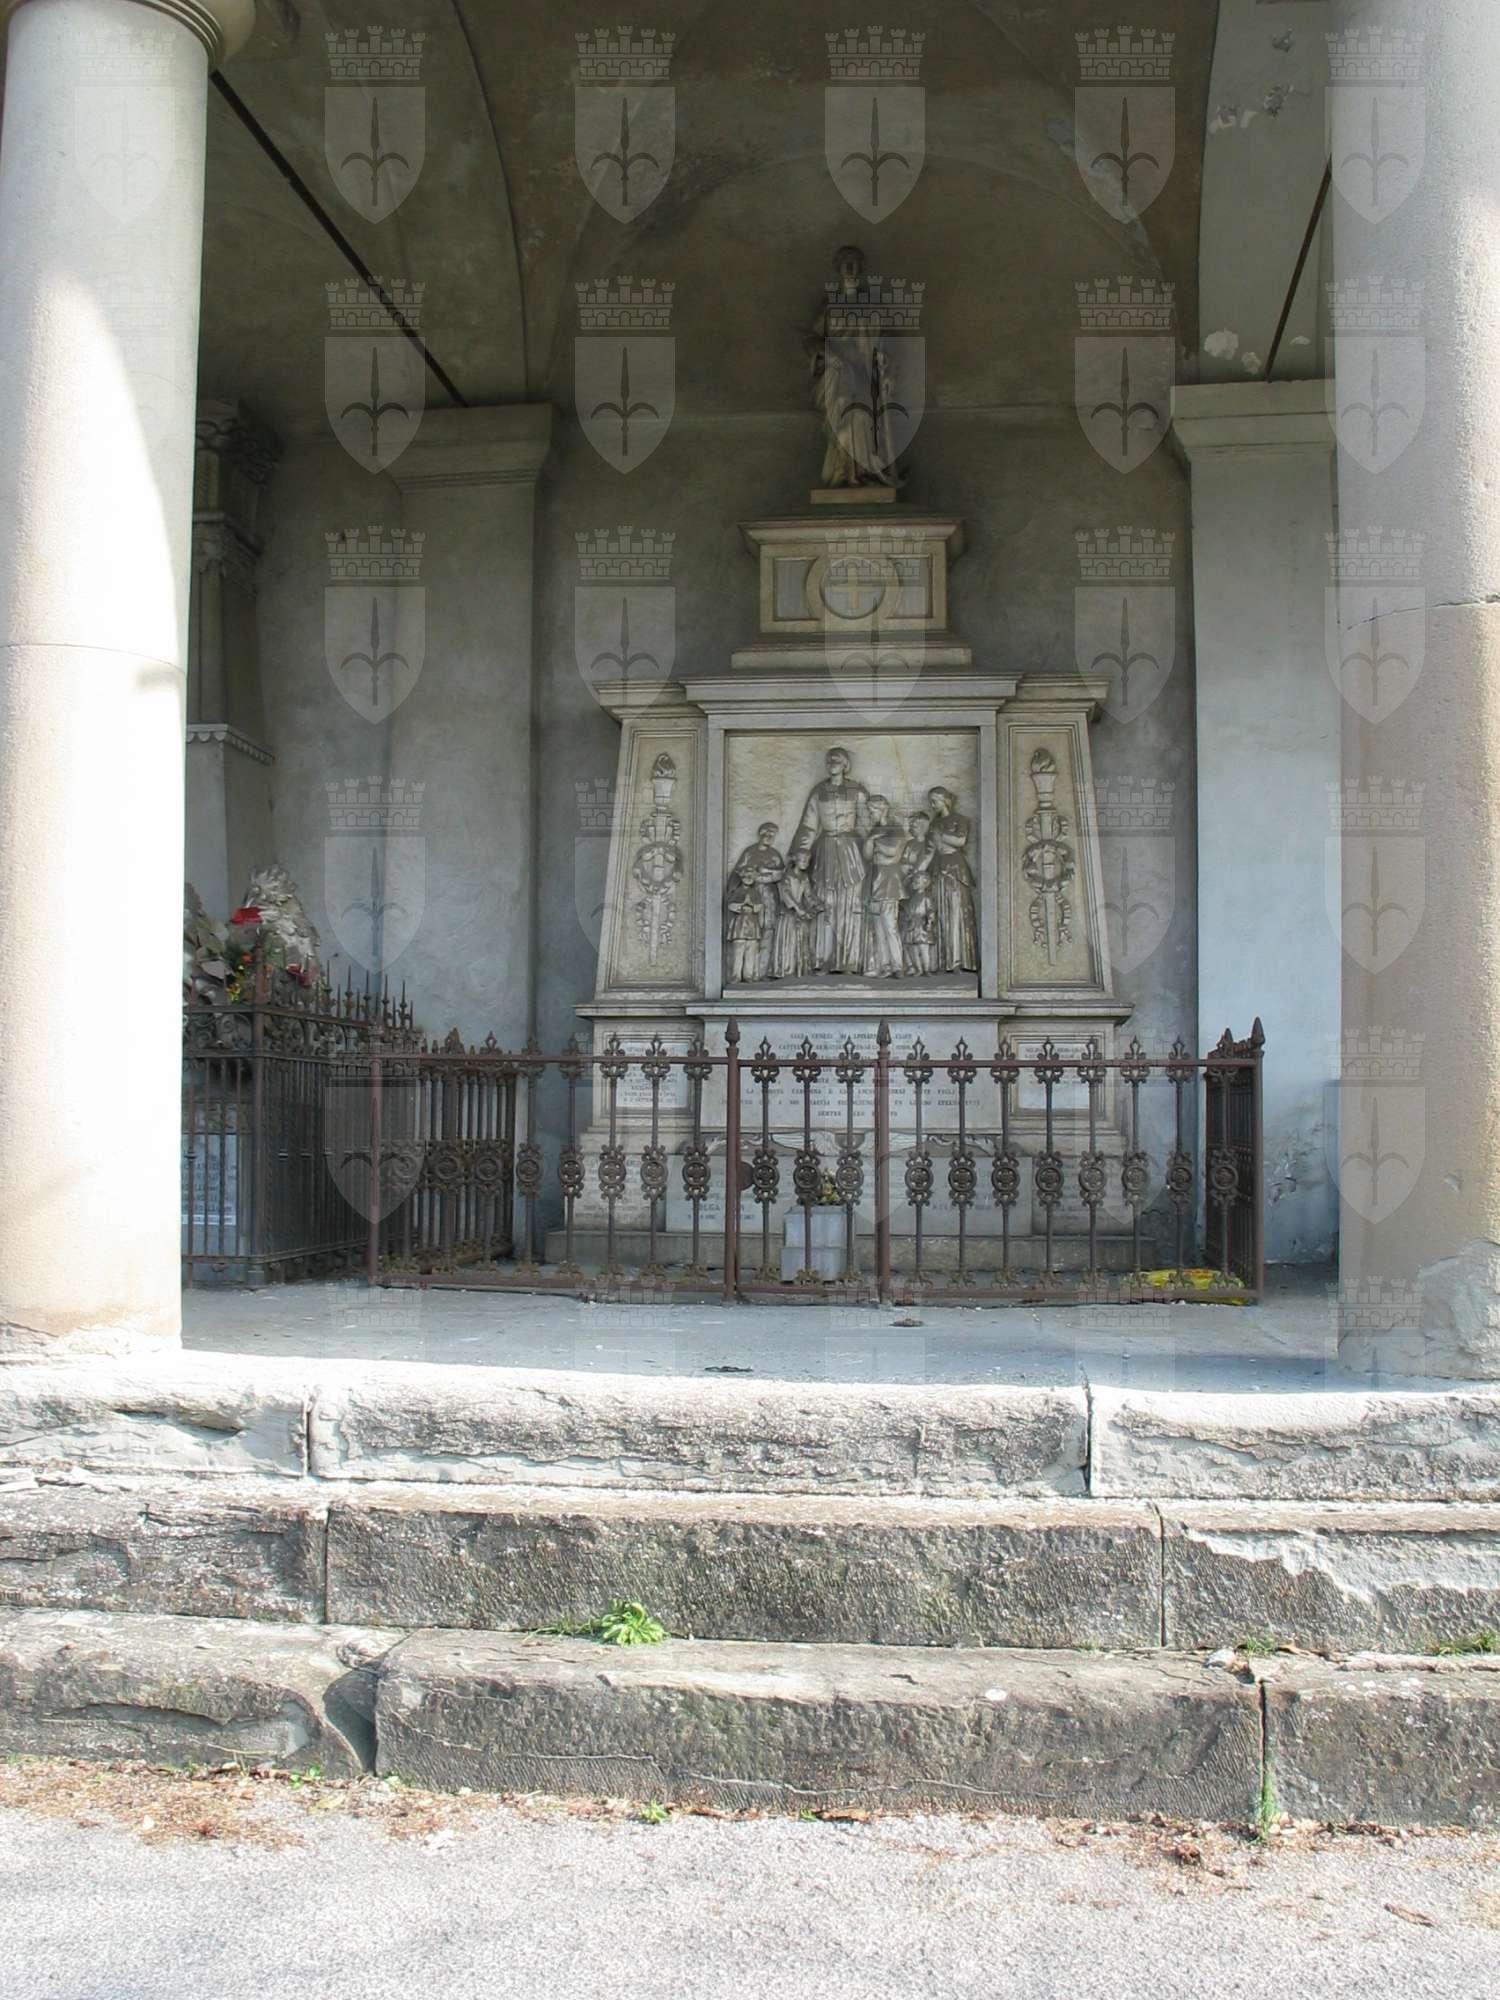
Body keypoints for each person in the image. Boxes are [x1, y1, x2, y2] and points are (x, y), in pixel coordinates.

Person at [789, 747, 871, 972]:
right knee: (825, 903)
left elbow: (867, 824)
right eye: (829, 760)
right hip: (825, 850)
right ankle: (822, 959)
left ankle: (849, 960)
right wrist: (799, 853)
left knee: (850, 904)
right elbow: (808, 825)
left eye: (837, 759)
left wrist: (876, 853)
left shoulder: (857, 790)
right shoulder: (818, 791)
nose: (832, 762)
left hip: (851, 850)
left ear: (845, 764)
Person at [925, 785, 978, 973]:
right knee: (939, 912)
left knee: (956, 912)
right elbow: (929, 850)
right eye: (931, 802)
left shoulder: (959, 819)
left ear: (945, 801)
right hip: (937, 866)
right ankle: (942, 960)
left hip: (954, 867)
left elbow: (961, 841)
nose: (932, 805)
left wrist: (941, 835)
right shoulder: (933, 823)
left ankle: (957, 960)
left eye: (935, 801)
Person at [727, 822, 785, 979]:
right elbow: (738, 873)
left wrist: (766, 874)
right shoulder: (749, 852)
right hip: (752, 894)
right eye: (767, 833)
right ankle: (748, 972)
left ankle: (762, 971)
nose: (769, 837)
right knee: (751, 933)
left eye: (772, 834)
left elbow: (780, 874)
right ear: (760, 833)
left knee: (768, 930)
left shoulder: (775, 854)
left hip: (770, 896)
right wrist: (733, 893)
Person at [862, 795, 906, 976]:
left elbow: (893, 852)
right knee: (878, 927)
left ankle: (898, 965)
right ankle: (885, 965)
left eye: (872, 811)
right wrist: (871, 840)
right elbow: (867, 855)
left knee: (890, 925)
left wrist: (875, 842)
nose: (869, 815)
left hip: (889, 882)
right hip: (875, 881)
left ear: (882, 810)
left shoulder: (895, 828)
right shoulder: (875, 830)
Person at [772, 850, 822, 979]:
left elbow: (808, 895)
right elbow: (786, 894)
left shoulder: (804, 877)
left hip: (800, 913)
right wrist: (797, 908)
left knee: (801, 939)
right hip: (788, 913)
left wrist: (816, 904)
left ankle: (800, 968)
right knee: (789, 940)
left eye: (807, 861)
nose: (805, 864)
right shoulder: (787, 876)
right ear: (795, 860)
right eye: (803, 861)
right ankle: (786, 969)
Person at [899, 809, 936, 975]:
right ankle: (912, 965)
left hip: (926, 886)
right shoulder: (910, 845)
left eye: (914, 825)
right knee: (907, 927)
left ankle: (928, 966)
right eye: (910, 825)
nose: (910, 828)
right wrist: (908, 877)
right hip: (911, 886)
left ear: (923, 826)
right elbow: (904, 866)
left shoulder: (930, 845)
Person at [724, 865, 764, 984]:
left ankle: (748, 975)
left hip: (752, 925)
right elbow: (731, 905)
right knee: (738, 951)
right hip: (739, 926)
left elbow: (760, 906)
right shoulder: (737, 891)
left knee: (751, 951)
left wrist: (752, 905)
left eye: (751, 876)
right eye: (746, 875)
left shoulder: (755, 892)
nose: (749, 878)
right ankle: (736, 975)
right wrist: (742, 905)